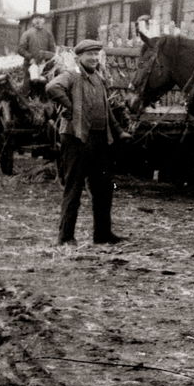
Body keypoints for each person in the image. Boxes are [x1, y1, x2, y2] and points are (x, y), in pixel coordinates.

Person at [46, 39, 124, 246]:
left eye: (96, 54)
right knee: (74, 187)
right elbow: (52, 87)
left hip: (99, 139)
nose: (93, 58)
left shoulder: (98, 78)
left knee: (104, 188)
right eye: (89, 55)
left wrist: (119, 131)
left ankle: (103, 235)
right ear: (79, 57)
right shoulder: (72, 75)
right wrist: (69, 107)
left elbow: (106, 110)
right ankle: (65, 237)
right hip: (76, 138)